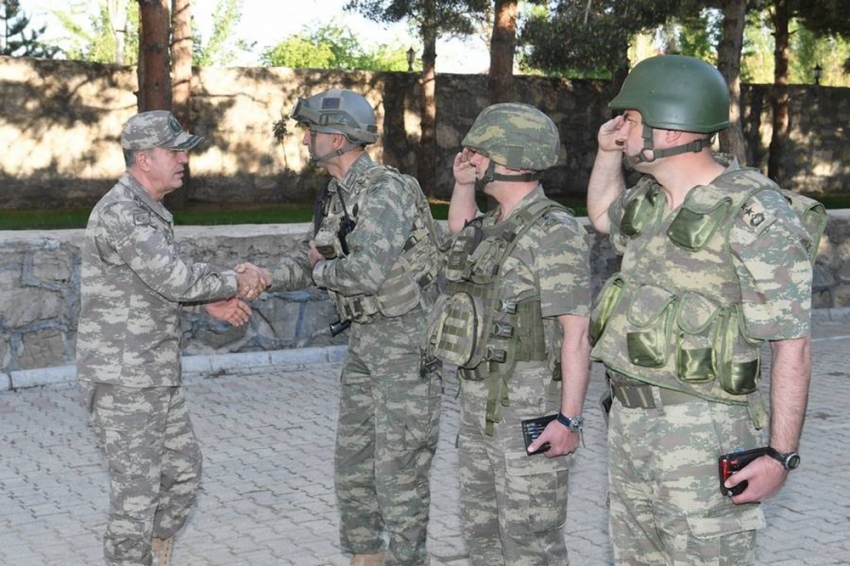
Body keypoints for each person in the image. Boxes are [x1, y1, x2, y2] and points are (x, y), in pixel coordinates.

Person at [586, 55, 824, 565]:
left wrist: (781, 456)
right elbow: (604, 217)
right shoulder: (650, 201)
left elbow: (793, 345)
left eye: (628, 118)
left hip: (703, 432)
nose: (617, 129)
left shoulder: (754, 214)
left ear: (669, 129)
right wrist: (607, 154)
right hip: (629, 423)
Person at [76, 110, 271, 566]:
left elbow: (157, 282)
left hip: (155, 373)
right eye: (174, 151)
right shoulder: (122, 213)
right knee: (135, 498)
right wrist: (234, 281)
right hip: (124, 378)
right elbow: (176, 277)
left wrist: (205, 301)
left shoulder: (148, 211)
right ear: (144, 159)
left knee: (184, 475)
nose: (184, 158)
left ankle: (155, 548)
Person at [280, 88, 443, 566]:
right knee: (352, 467)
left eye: (314, 131)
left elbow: (365, 272)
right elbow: (311, 254)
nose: (307, 139)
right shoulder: (335, 194)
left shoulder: (385, 190)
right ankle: (366, 556)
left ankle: (409, 559)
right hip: (365, 343)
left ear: (339, 137)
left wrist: (317, 270)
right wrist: (263, 277)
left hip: (405, 344)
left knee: (398, 472)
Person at [424, 102, 592, 565]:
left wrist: (569, 420)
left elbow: (577, 335)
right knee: (482, 534)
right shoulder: (493, 225)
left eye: (479, 151)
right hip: (479, 412)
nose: (468, 157)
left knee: (529, 542)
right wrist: (463, 185)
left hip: (530, 415)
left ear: (513, 162)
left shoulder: (554, 231)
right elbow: (460, 234)